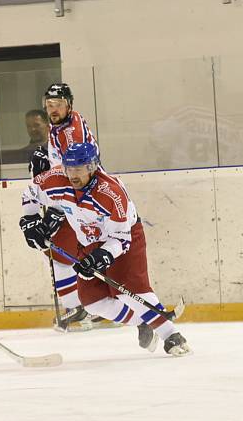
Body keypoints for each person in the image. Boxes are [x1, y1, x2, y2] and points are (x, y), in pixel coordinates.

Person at [21, 142, 192, 356]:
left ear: (92, 167)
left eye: (79, 169)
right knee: (93, 302)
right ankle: (143, 322)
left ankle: (172, 335)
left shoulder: (111, 192)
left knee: (130, 291)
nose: (72, 174)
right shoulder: (56, 179)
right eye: (69, 168)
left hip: (123, 238)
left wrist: (102, 256)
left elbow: (121, 238)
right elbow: (30, 193)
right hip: (88, 241)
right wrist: (29, 219)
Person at [24, 83, 103, 331]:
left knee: (60, 254)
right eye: (49, 105)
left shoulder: (71, 134)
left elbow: (75, 174)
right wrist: (46, 161)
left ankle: (78, 308)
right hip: (79, 197)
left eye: (57, 104)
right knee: (76, 253)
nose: (53, 109)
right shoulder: (63, 125)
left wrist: (57, 211)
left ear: (69, 104)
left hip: (80, 199)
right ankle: (93, 305)